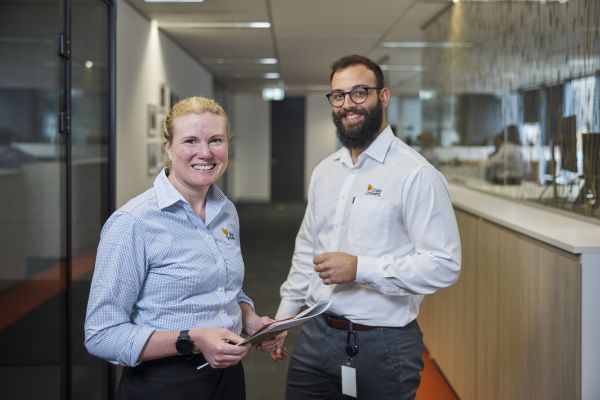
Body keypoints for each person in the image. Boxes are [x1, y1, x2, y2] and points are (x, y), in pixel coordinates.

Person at [271, 55, 461, 400]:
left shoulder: (415, 174)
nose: (348, 104)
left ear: (383, 96)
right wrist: (285, 318)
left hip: (382, 344)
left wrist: (360, 268)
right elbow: (306, 250)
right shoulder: (325, 172)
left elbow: (444, 264)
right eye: (339, 95)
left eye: (360, 93)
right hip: (315, 337)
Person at [85, 96, 277, 400]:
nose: (205, 152)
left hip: (227, 376)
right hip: (163, 383)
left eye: (216, 140)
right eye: (190, 140)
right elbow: (101, 335)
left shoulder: (225, 210)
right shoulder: (133, 222)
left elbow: (225, 290)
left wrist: (249, 318)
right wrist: (193, 339)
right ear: (168, 147)